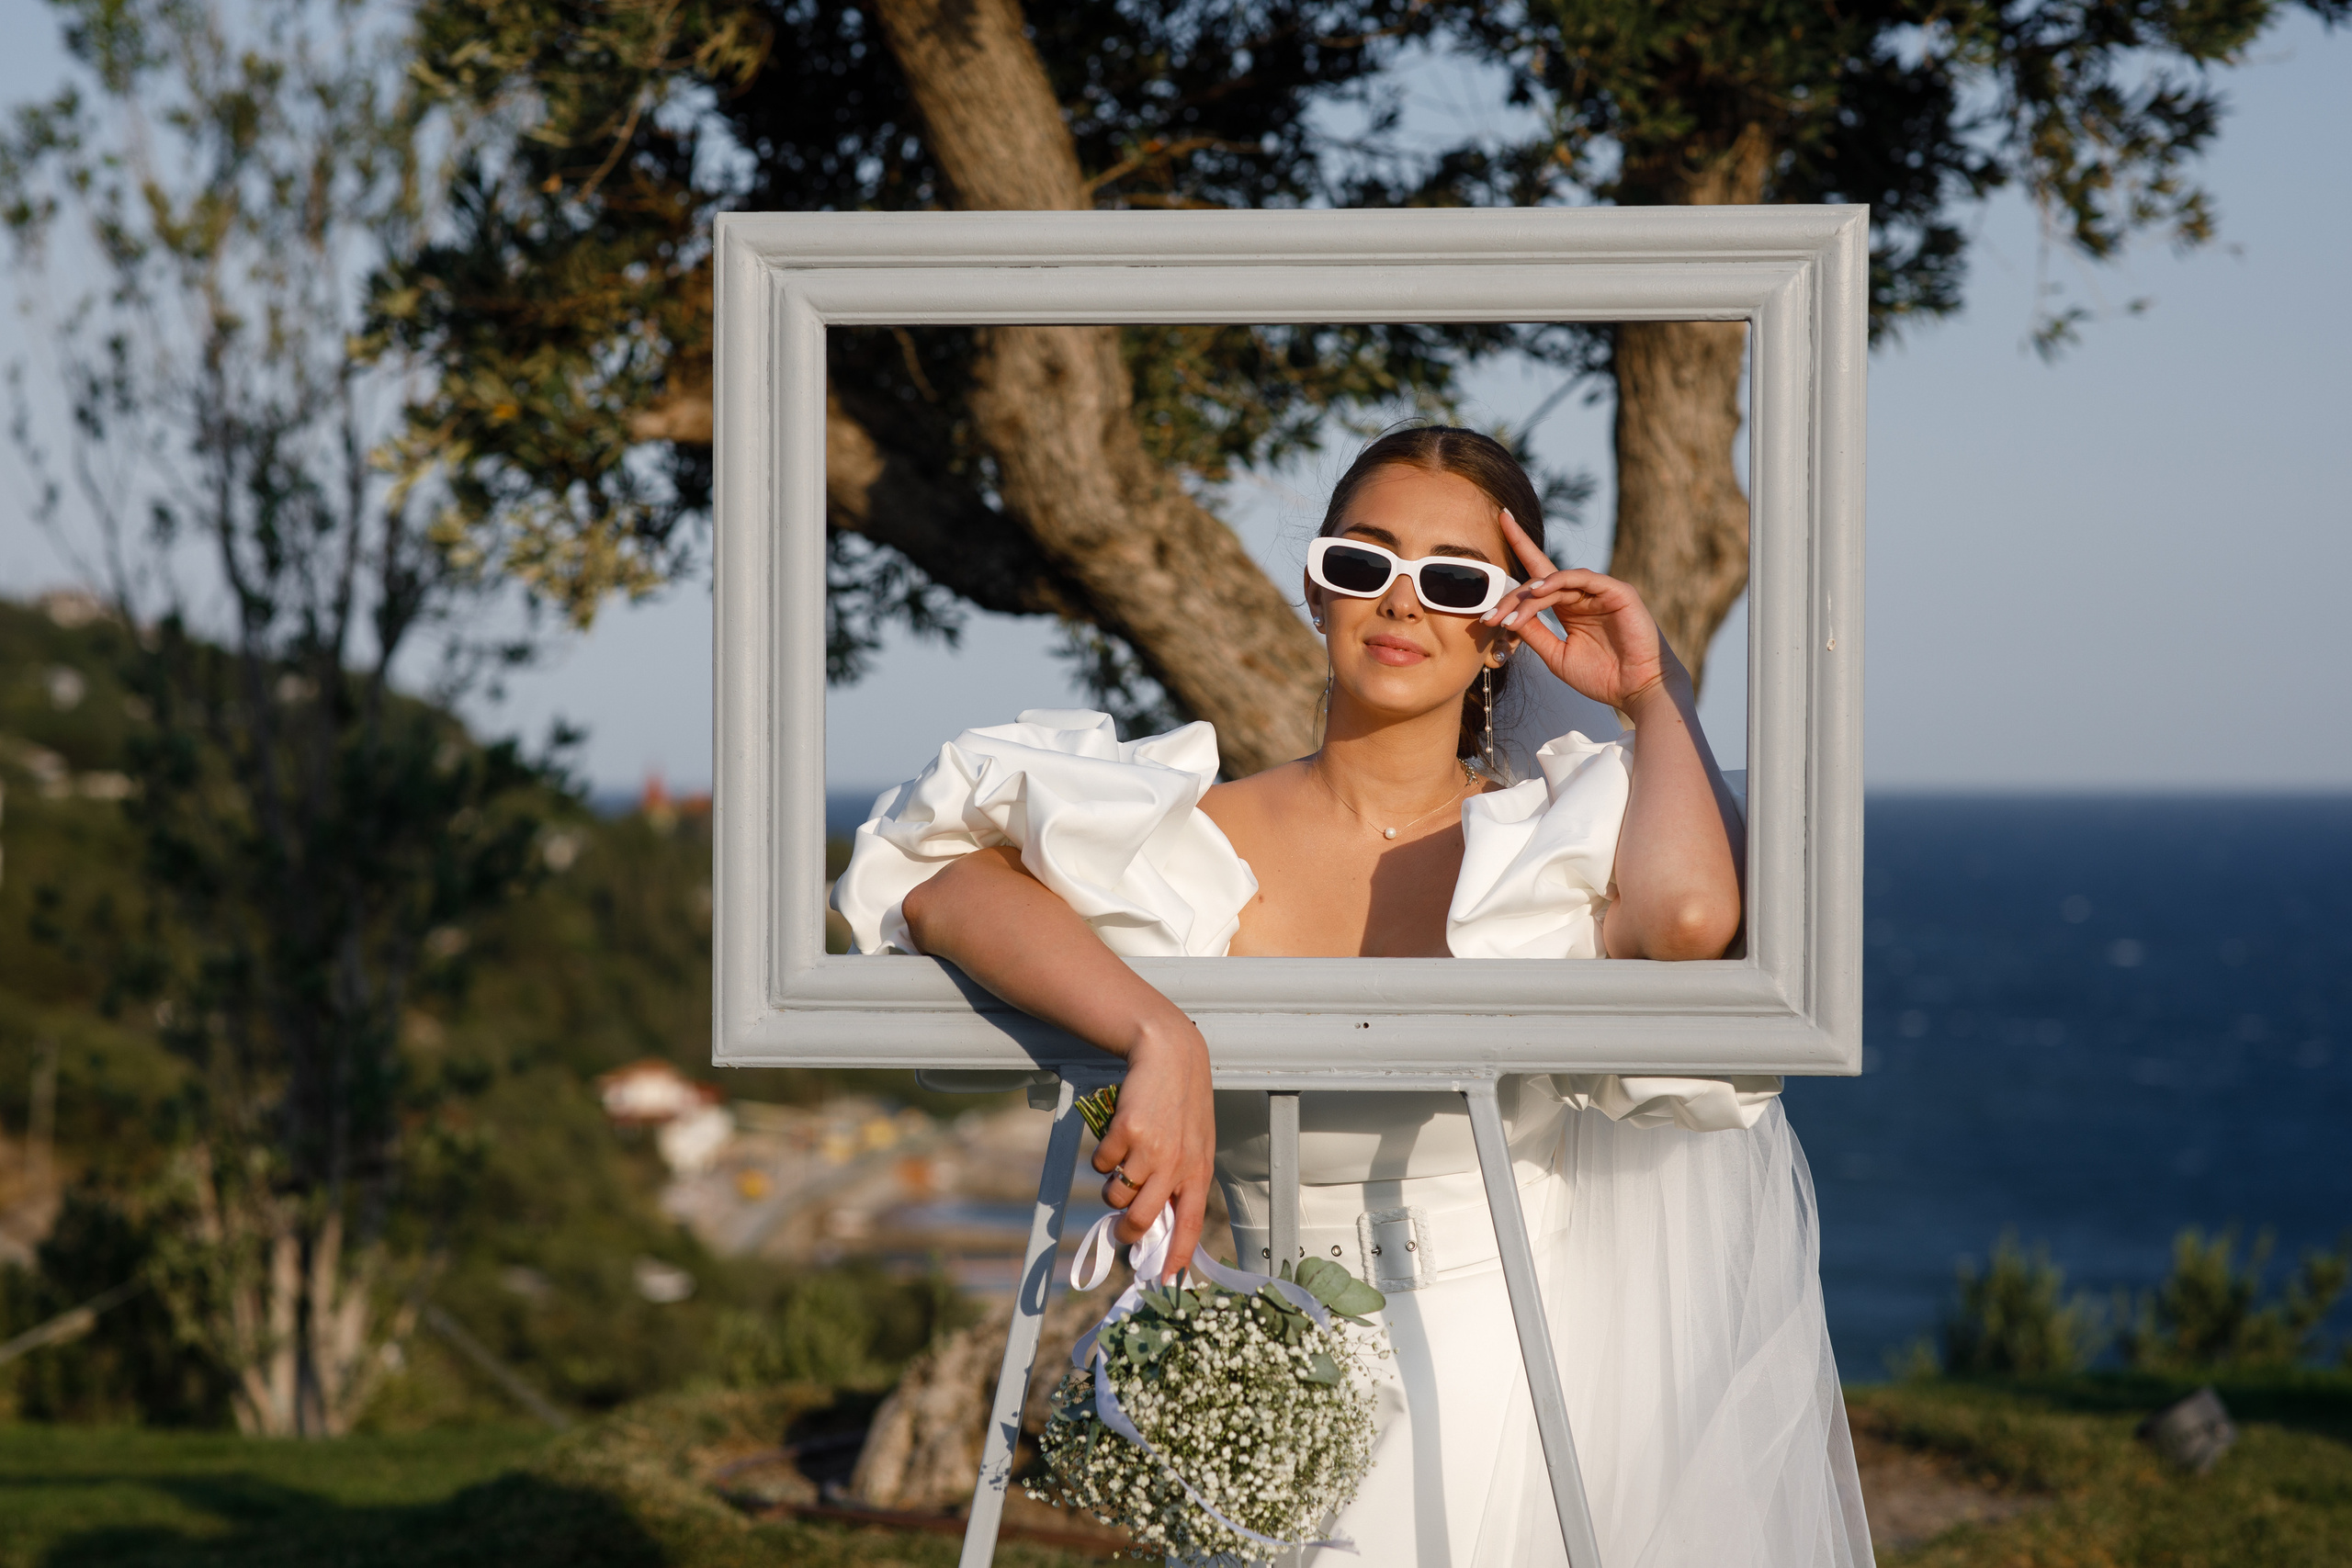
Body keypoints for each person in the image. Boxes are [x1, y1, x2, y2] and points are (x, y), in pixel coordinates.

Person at [833, 426, 1868, 1566]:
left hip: (1506, 1359)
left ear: (1500, 633)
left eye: (1455, 580)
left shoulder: (1548, 846)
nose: (1401, 603)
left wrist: (1649, 692)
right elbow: (938, 883)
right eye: (1363, 562)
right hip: (1254, 1372)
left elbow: (1683, 922)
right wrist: (1153, 1028)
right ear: (1315, 590)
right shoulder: (1185, 839)